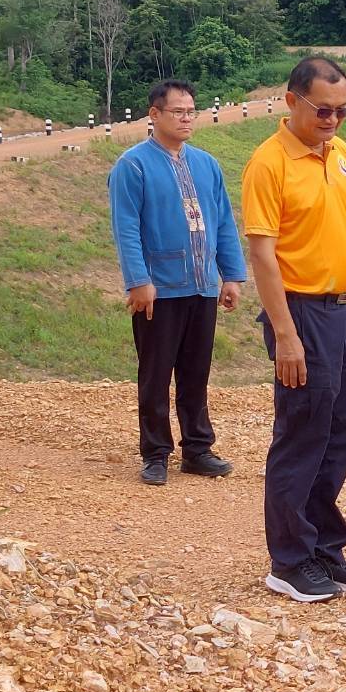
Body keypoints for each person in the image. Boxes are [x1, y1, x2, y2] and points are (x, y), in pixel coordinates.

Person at [242, 56, 346, 603]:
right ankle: (289, 560)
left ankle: (325, 547)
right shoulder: (268, 164)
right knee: (302, 435)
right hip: (301, 312)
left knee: (338, 434)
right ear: (292, 100)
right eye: (323, 110)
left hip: (344, 310)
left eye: (343, 111)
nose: (333, 121)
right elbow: (262, 253)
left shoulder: (341, 154)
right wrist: (285, 334)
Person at [109, 79, 246, 487]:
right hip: (159, 289)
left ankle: (197, 449)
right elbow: (126, 228)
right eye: (177, 112)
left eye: (191, 111)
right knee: (155, 373)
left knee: (195, 372)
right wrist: (138, 281)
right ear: (154, 115)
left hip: (202, 285)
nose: (187, 119)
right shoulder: (133, 165)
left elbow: (223, 221)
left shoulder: (206, 164)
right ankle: (155, 454)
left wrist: (232, 275)